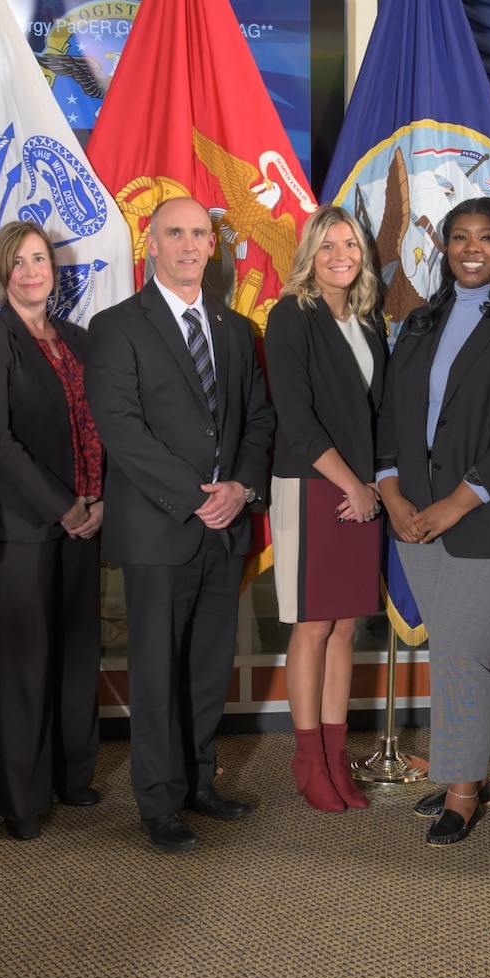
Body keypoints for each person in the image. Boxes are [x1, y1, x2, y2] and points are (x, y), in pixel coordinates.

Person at [85, 197, 276, 854]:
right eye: (176, 233)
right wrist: (196, 498)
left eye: (200, 233)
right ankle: (159, 802)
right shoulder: (116, 327)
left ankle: (199, 781)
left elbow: (256, 421)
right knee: (157, 669)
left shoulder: (231, 326)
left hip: (224, 528)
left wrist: (241, 488)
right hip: (160, 528)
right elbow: (122, 431)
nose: (190, 244)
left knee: (204, 666)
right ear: (151, 243)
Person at [376, 197, 490, 846]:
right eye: (458, 237)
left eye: (486, 237)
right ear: (444, 247)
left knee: (458, 655)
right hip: (414, 520)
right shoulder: (420, 322)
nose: (471, 248)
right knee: (458, 655)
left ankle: (461, 791)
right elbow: (392, 414)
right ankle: (467, 770)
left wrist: (458, 500)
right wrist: (392, 493)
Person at [0, 221, 106, 841]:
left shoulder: (78, 338)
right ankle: (20, 799)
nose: (30, 270)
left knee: (76, 650)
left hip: (88, 516)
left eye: (39, 259)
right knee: (23, 661)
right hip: (22, 524)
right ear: (1, 271)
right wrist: (61, 505)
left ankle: (72, 777)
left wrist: (98, 501)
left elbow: (105, 425)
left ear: (55, 267)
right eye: (16, 261)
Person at [263, 205, 390, 814]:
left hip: (360, 491)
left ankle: (337, 759)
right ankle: (308, 759)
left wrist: (373, 488)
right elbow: (296, 416)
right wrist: (353, 486)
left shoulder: (368, 321)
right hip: (313, 485)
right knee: (312, 625)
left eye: (351, 243)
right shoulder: (292, 314)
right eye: (328, 244)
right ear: (309, 254)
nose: (342, 253)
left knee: (346, 627)